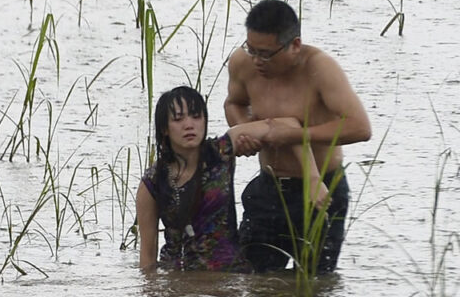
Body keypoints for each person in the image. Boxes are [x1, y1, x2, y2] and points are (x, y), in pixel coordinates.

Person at [225, 0, 372, 273]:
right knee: (256, 285)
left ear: (294, 45)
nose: (257, 60)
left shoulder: (321, 69)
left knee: (314, 289)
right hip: (268, 189)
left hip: (320, 190)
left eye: (266, 54)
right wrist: (246, 131)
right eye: (251, 49)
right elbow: (234, 102)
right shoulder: (243, 63)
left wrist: (297, 134)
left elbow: (360, 127)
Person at [137, 86, 328, 272]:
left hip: (228, 275)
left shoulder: (221, 152)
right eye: (178, 119)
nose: (189, 125)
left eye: (196, 117)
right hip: (177, 282)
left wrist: (313, 179)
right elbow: (147, 256)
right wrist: (154, 294)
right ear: (164, 129)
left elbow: (289, 126)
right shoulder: (153, 181)